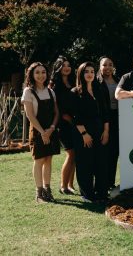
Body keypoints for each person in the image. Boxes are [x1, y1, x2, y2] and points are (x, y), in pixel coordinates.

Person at [22, 62, 60, 203]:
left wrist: (51, 129)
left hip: (50, 129)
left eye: (43, 72)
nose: (40, 75)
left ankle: (47, 190)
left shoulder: (51, 91)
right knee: (39, 160)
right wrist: (43, 133)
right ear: (31, 74)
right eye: (37, 72)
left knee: (48, 159)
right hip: (37, 130)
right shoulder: (28, 92)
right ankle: (39, 193)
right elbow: (30, 115)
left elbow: (57, 113)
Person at [71, 62, 110, 203]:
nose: (89, 74)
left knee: (101, 163)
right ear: (81, 74)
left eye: (92, 71)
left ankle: (102, 193)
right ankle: (87, 194)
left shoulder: (99, 89)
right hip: (83, 134)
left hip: (100, 132)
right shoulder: (75, 92)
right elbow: (75, 117)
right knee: (85, 164)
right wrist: (84, 134)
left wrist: (106, 131)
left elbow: (106, 112)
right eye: (86, 71)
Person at [50, 56, 77, 195]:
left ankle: (71, 185)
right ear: (58, 68)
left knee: (75, 155)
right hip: (62, 124)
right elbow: (53, 106)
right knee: (71, 153)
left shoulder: (74, 82)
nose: (67, 67)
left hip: (74, 122)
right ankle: (63, 186)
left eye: (68, 65)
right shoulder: (54, 85)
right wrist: (62, 116)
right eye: (63, 65)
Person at [97, 56, 120, 190]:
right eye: (104, 65)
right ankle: (102, 183)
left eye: (110, 64)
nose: (108, 67)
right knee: (103, 151)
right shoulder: (96, 82)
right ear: (100, 67)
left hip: (117, 117)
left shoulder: (119, 80)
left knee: (114, 152)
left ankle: (110, 182)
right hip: (103, 119)